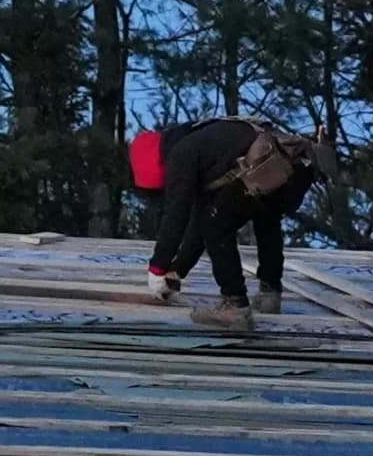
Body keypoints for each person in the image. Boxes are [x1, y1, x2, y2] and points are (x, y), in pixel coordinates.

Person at [142, 116, 331, 333]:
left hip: (267, 166)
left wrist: (157, 267)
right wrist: (177, 271)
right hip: (293, 168)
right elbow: (200, 219)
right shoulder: (207, 138)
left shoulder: (180, 155)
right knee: (266, 218)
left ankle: (235, 306)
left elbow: (177, 216)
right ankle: (270, 294)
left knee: (217, 226)